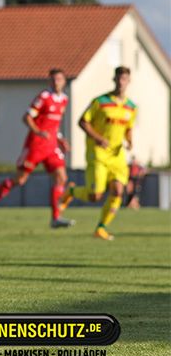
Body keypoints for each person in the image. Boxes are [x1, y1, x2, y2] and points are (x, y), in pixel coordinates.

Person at [0, 69, 73, 229]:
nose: (56, 82)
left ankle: (56, 218)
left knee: (61, 177)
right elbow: (27, 117)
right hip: (36, 144)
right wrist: (38, 131)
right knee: (20, 179)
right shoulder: (44, 97)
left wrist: (60, 139)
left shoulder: (64, 99)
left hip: (51, 146)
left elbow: (54, 124)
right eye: (53, 79)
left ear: (64, 81)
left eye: (59, 79)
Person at [59, 66, 136, 240]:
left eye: (124, 79)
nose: (121, 82)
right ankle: (71, 192)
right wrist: (98, 138)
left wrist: (130, 141)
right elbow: (82, 122)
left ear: (129, 81)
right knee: (95, 196)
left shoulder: (131, 107)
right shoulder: (100, 102)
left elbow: (128, 128)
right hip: (98, 154)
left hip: (117, 156)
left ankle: (101, 228)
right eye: (119, 79)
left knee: (118, 191)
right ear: (114, 79)